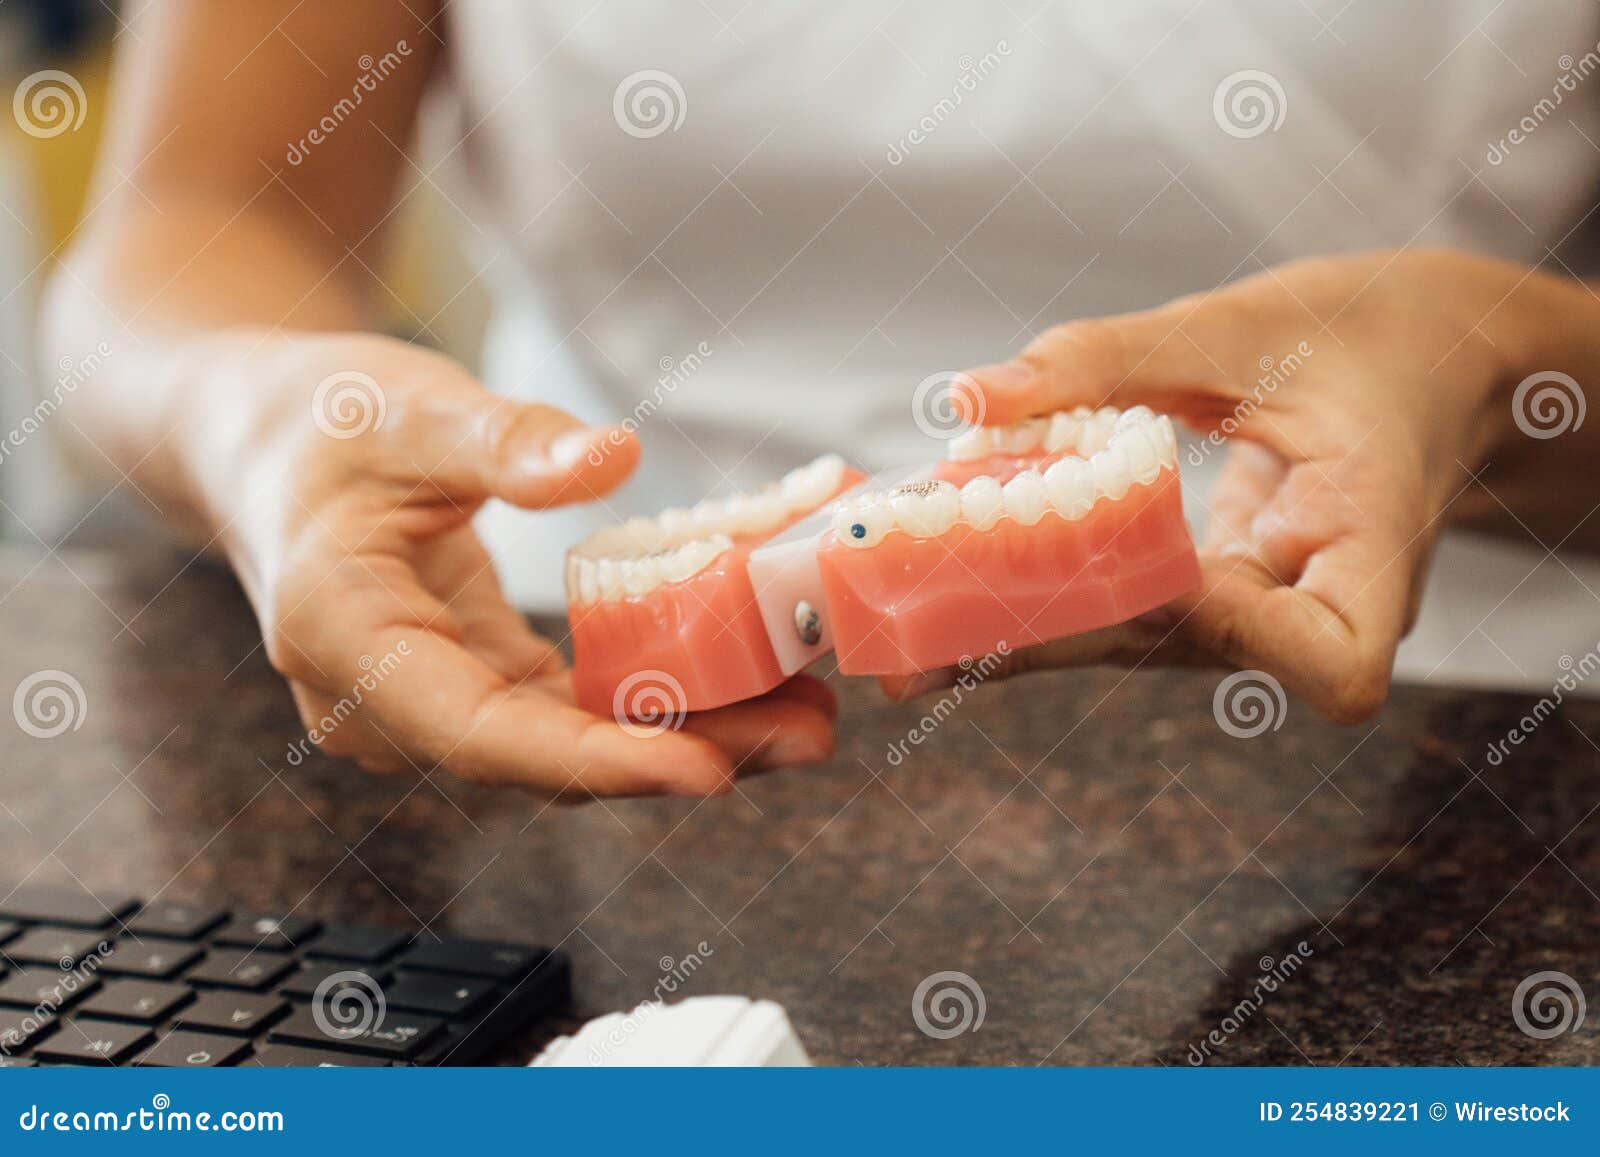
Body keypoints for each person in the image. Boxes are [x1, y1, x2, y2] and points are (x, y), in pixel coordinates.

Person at [40, 2, 1600, 797]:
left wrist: (1492, 359)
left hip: (1445, 745)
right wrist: (271, 423)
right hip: (584, 715)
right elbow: (197, 221)